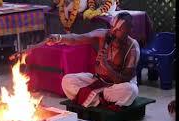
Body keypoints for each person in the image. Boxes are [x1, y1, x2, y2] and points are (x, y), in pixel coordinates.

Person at [11, 12, 140, 111]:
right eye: (112, 28)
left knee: (130, 91)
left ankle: (96, 98)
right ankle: (100, 99)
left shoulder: (132, 47)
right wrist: (59, 38)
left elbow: (123, 79)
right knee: (67, 80)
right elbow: (78, 38)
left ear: (129, 30)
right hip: (97, 80)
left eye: (118, 30)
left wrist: (106, 66)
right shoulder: (103, 35)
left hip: (118, 85)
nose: (113, 32)